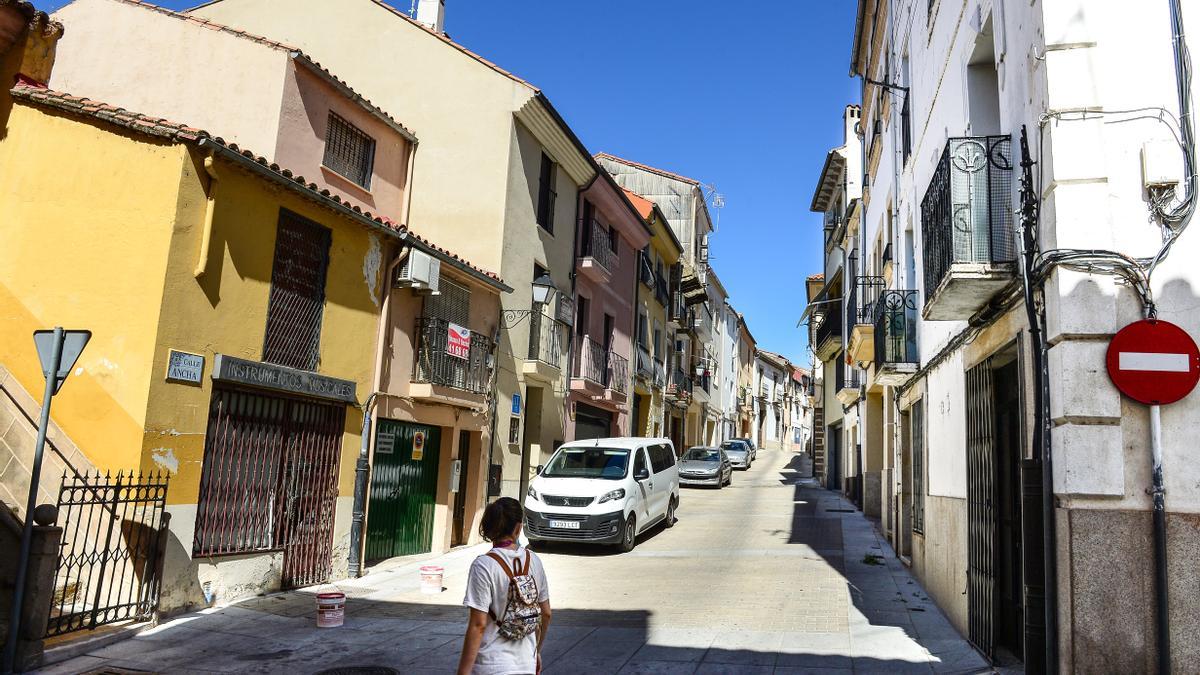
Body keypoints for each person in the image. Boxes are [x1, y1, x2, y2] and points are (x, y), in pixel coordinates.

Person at [457, 497, 552, 675]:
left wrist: (462, 672)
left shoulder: (484, 565)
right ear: (518, 528)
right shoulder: (534, 561)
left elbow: (478, 624)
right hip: (526, 666)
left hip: (491, 665)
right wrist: (536, 652)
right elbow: (546, 613)